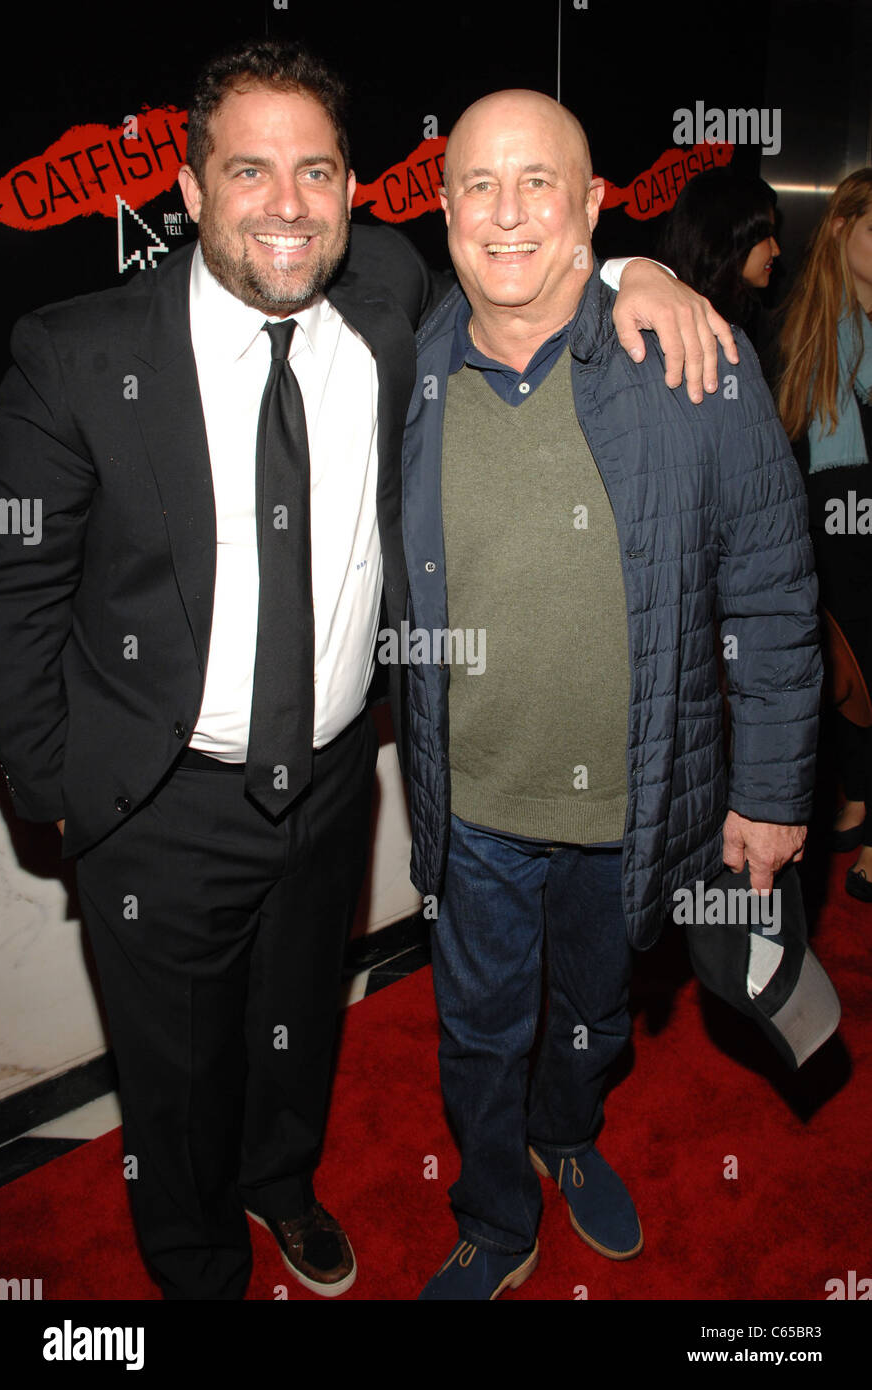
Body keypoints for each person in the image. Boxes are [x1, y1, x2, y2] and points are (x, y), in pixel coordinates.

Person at [0, 39, 735, 1301]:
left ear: (354, 191)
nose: (286, 204)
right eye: (249, 171)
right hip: (161, 803)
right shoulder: (78, 355)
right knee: (173, 1075)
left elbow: (528, 258)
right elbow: (15, 595)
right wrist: (51, 783)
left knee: (301, 1025)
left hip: (334, 783)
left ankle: (283, 1187)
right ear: (187, 190)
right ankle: (197, 1258)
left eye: (317, 171)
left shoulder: (387, 289)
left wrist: (634, 267)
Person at [400, 89, 821, 1300]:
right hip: (472, 804)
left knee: (595, 1016)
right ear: (444, 211)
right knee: (477, 1032)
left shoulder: (696, 360)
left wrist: (772, 789)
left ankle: (569, 1138)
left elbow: (777, 591)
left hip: (631, 810)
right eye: (479, 183)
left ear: (593, 205)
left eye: (541, 182)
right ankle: (495, 1216)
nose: (508, 211)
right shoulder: (410, 366)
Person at [778, 168, 872, 904]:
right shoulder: (805, 321)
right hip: (823, 513)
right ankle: (858, 793)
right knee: (841, 666)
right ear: (840, 231)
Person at [657, 167, 780, 377]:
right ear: (728, 237)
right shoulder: (679, 324)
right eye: (765, 235)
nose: (776, 250)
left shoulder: (740, 317)